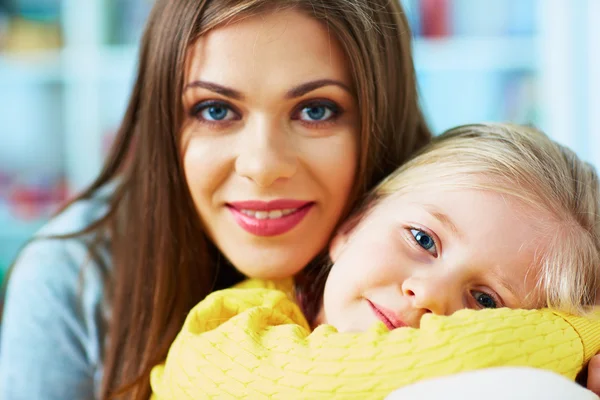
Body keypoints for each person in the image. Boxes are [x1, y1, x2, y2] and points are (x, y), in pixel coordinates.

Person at [0, 1, 431, 399]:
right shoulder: (74, 277)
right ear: (162, 121)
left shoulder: (453, 261)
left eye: (316, 110)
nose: (262, 166)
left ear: (384, 117)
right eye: (216, 110)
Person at [150, 124, 600, 399]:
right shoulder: (230, 327)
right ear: (351, 226)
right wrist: (582, 331)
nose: (426, 294)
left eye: (485, 299)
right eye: (423, 239)